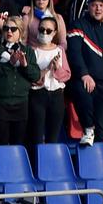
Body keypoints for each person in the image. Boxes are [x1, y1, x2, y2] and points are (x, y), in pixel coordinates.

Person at [0, 16, 39, 146]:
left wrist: (25, 65)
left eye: (13, 29)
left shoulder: (28, 51)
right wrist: (9, 63)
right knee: (1, 142)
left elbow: (36, 76)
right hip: (0, 103)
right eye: (6, 28)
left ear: (20, 32)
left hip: (21, 104)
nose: (9, 32)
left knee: (18, 143)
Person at [67, 0, 103, 144]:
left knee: (100, 133)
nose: (98, 8)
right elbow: (74, 54)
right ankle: (87, 128)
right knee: (80, 87)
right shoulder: (78, 25)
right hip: (86, 82)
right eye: (94, 5)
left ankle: (95, 164)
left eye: (101, 5)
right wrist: (84, 74)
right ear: (88, 7)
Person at [30, 16, 71, 147]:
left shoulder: (59, 50)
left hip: (56, 95)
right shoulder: (32, 51)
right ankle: (36, 164)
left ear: (54, 33)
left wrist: (57, 68)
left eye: (48, 31)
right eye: (42, 30)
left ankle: (50, 164)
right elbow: (32, 78)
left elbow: (66, 75)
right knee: (36, 136)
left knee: (53, 137)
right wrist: (47, 68)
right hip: (37, 95)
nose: (44, 33)